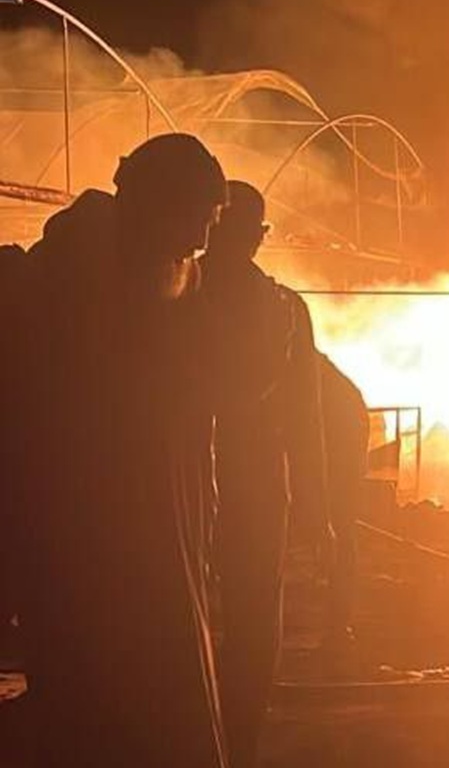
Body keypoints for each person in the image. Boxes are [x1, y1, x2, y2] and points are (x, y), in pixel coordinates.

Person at [10, 133, 230, 767]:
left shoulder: (177, 278)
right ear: (152, 205)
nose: (203, 240)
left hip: (169, 533)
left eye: (212, 223)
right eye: (197, 219)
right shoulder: (64, 280)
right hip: (86, 543)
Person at [202, 180, 332, 768]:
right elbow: (306, 418)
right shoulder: (286, 309)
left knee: (185, 617)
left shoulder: (178, 294)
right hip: (256, 480)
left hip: (185, 479)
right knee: (255, 622)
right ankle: (238, 742)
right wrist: (316, 509)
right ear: (255, 236)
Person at [317, 352, 371, 642]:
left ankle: (338, 623)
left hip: (343, 437)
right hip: (336, 430)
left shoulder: (332, 390)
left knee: (341, 528)